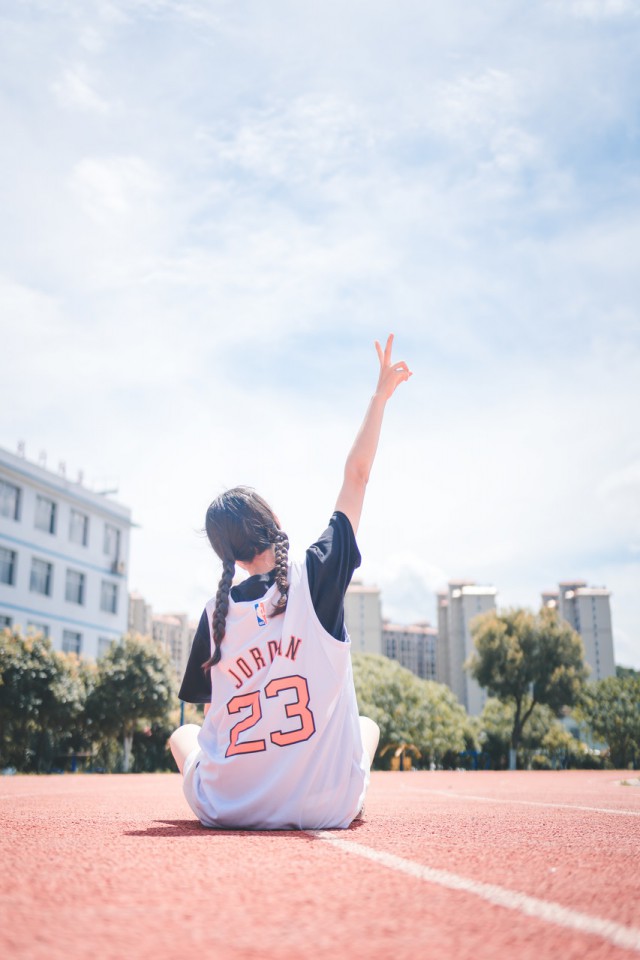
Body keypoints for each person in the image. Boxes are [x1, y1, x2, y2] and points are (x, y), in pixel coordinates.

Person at [170, 334, 412, 829]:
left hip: (227, 806)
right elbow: (357, 475)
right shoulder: (316, 574)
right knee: (366, 725)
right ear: (276, 522)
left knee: (182, 736)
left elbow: (212, 708)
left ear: (227, 557)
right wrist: (379, 397)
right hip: (327, 806)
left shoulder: (214, 615)